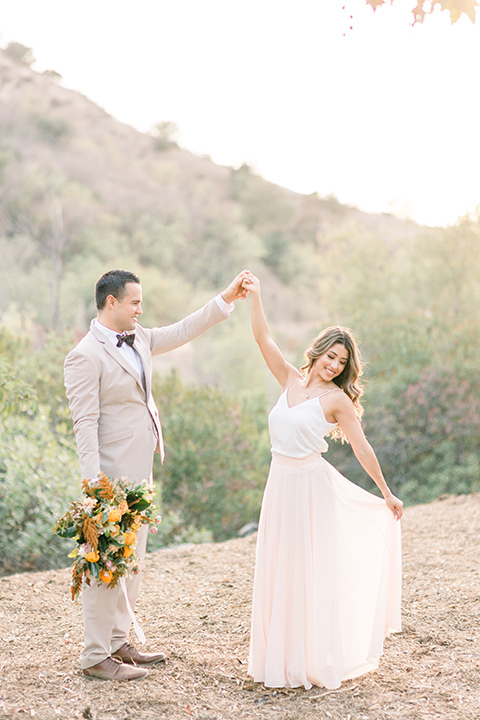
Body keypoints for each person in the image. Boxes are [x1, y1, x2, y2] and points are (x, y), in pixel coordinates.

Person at [64, 268, 249, 681]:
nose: (140, 309)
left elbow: (185, 328)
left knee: (132, 563)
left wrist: (227, 298)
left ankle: (118, 642)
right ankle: (95, 656)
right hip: (108, 479)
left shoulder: (142, 337)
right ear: (111, 302)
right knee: (105, 563)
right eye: (134, 302)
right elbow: (85, 424)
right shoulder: (84, 355)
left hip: (140, 473)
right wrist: (94, 486)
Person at [242, 271, 403, 691]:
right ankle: (277, 659)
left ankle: (308, 661)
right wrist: (255, 296)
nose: (333, 365)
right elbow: (263, 339)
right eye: (330, 356)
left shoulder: (337, 401)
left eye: (341, 362)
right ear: (316, 353)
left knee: (306, 573)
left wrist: (386, 492)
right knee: (279, 569)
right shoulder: (289, 381)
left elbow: (362, 449)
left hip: (311, 490)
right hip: (279, 485)